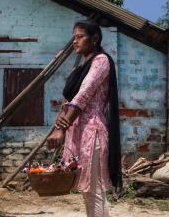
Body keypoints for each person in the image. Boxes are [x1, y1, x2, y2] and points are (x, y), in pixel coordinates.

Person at [47, 19, 122, 217]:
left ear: (94, 38)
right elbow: (68, 101)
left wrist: (61, 128)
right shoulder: (81, 67)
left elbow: (84, 95)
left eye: (80, 37)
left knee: (94, 191)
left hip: (92, 132)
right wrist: (59, 126)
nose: (75, 41)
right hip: (77, 132)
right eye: (74, 37)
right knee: (87, 192)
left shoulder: (101, 61)